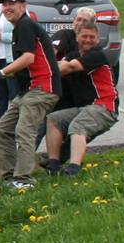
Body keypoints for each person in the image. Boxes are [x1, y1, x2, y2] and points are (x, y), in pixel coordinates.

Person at [0, 0, 61, 192]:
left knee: (24, 131)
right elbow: (27, 63)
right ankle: (10, 175)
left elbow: (28, 58)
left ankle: (24, 179)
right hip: (28, 90)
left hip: (42, 88)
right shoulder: (17, 29)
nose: (7, 8)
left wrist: (2, 72)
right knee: (1, 130)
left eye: (11, 3)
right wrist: (8, 73)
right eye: (4, 5)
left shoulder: (26, 25)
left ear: (23, 6)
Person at [45, 21, 119, 175]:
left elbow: (69, 67)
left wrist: (44, 68)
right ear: (77, 37)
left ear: (98, 39)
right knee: (54, 119)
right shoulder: (74, 55)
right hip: (85, 107)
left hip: (105, 107)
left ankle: (74, 169)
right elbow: (61, 66)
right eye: (84, 36)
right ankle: (53, 165)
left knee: (78, 126)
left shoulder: (97, 55)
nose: (88, 40)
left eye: (92, 37)